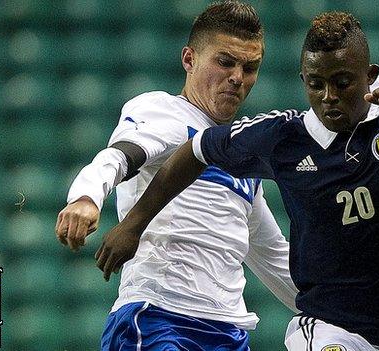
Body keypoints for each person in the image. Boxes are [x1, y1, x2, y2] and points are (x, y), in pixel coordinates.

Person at [95, 11, 379, 351]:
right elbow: (196, 150)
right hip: (332, 332)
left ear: (370, 74)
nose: (329, 96)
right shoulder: (284, 137)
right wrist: (134, 223)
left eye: (342, 82)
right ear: (303, 82)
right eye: (316, 84)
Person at [54, 1, 298, 350]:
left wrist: (346, 313)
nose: (237, 77)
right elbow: (119, 156)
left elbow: (272, 257)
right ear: (189, 59)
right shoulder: (163, 111)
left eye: (250, 67)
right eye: (225, 62)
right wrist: (86, 197)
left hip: (228, 332)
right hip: (158, 316)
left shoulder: (241, 152)